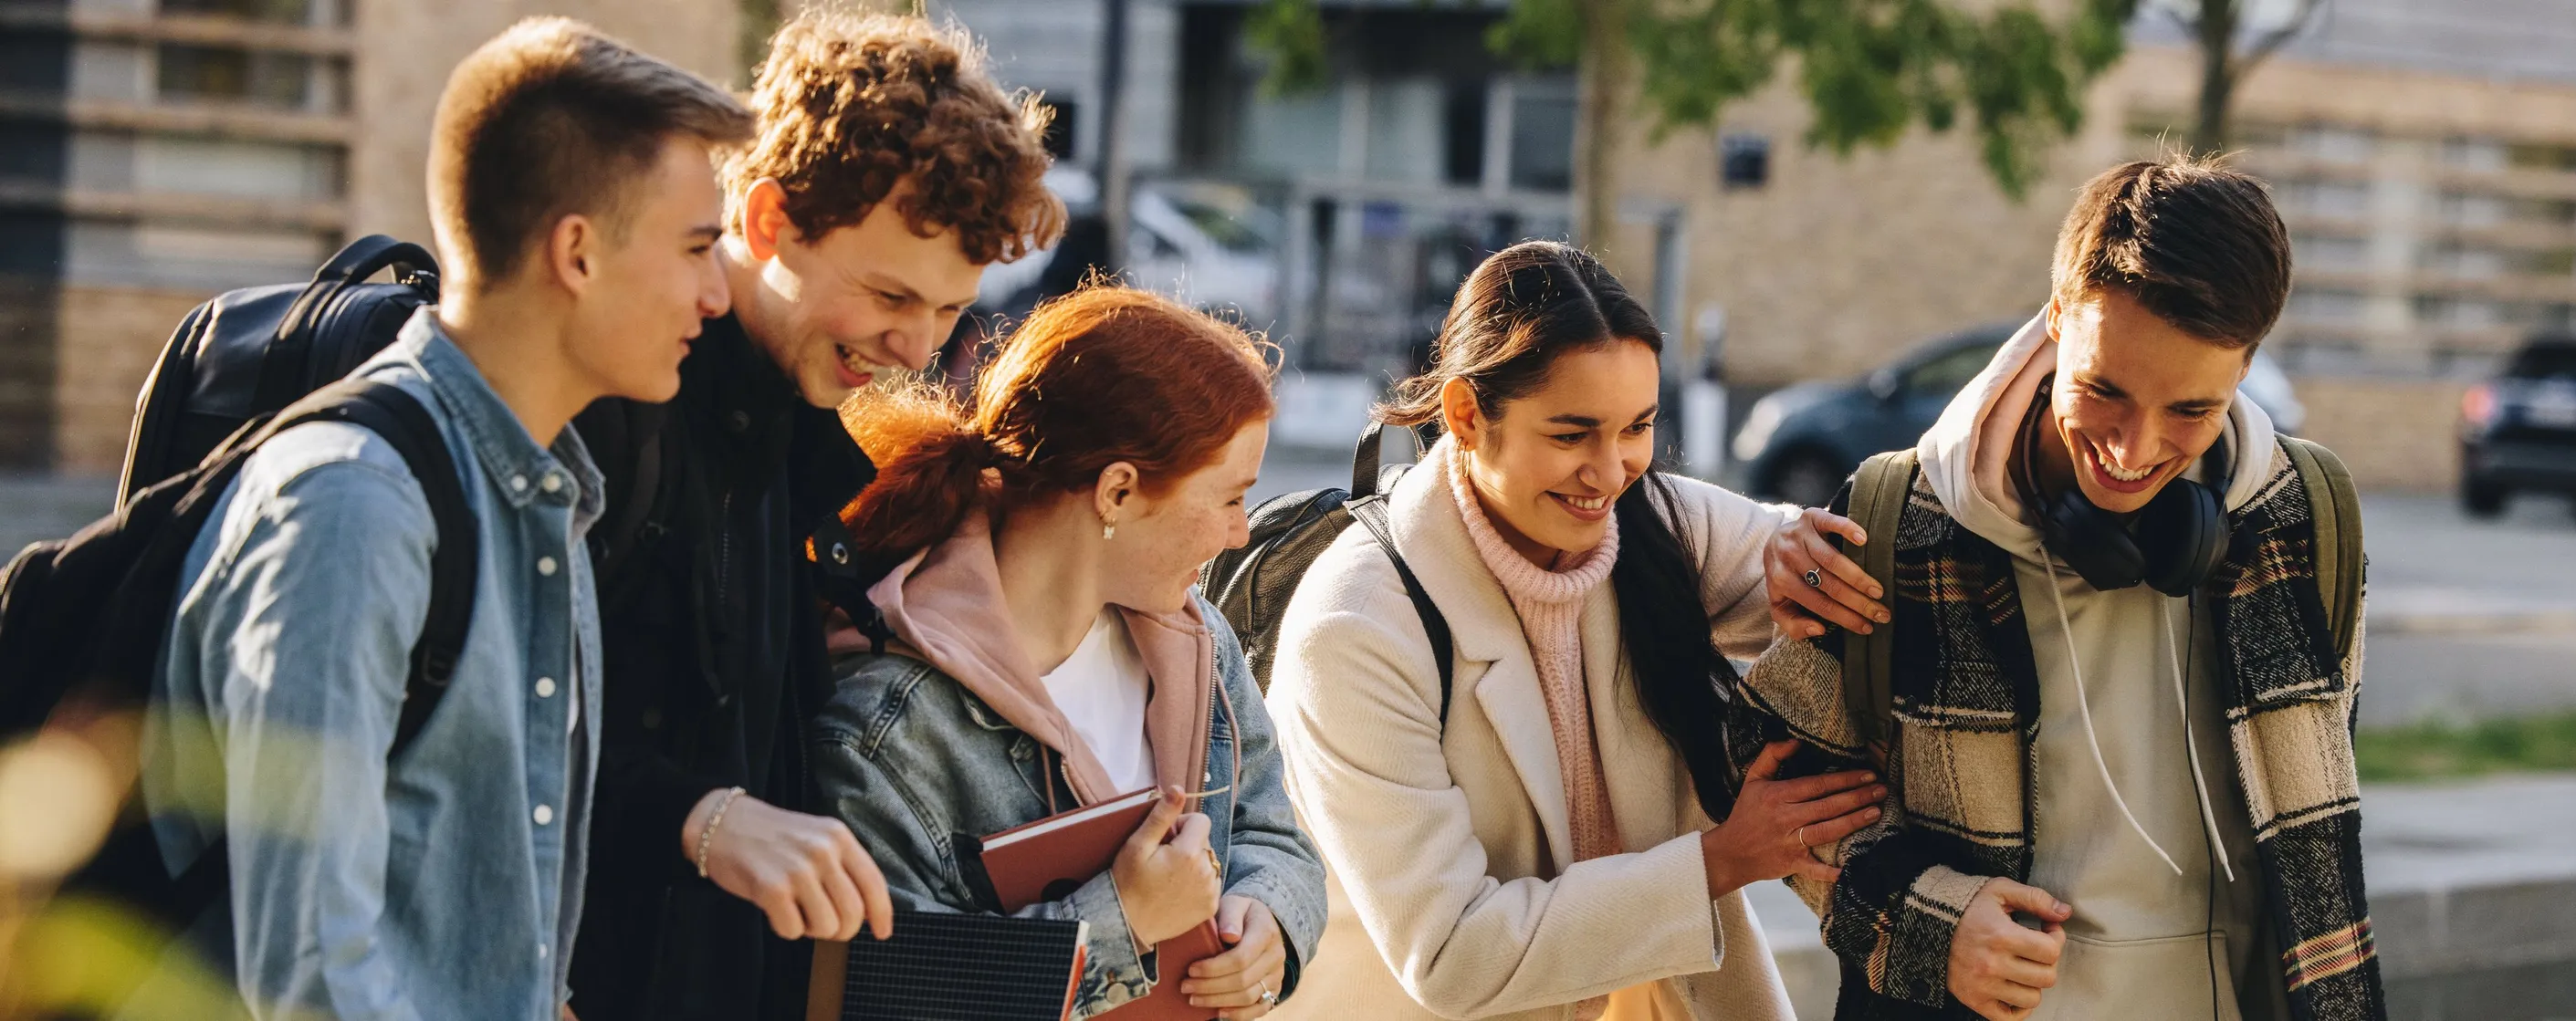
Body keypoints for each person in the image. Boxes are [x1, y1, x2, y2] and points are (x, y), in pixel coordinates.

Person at [138, 18, 749, 1019]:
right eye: (695, 248)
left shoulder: (552, 500)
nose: (717, 294)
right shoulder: (350, 508)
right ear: (579, 254)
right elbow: (310, 979)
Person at [1745, 155, 2383, 1021]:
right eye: (2103, 390)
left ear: (2246, 367)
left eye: (2190, 411)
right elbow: (1767, 776)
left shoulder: (2312, 518)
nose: (2133, 448)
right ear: (2055, 323)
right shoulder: (1900, 520)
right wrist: (1926, 925)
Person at [563, 10, 1066, 1019]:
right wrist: (702, 820)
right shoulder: (610, 413)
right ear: (765, 223)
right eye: (889, 293)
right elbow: (498, 747)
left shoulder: (785, 439)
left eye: (948, 311)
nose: (919, 347)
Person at [1261, 241, 1887, 1021]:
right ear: (1464, 414)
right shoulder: (1356, 626)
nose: (1612, 470)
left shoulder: (1659, 522)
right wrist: (1719, 862)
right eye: (1570, 434)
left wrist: (1804, 553)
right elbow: (1453, 953)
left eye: (1638, 426)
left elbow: (1872, 557)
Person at [812, 286, 1325, 1020]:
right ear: (1117, 491)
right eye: (1230, 498)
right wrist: (1120, 923)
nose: (1241, 533)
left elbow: (1274, 834)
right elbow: (870, 993)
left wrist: (1270, 918)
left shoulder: (1199, 642)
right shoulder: (887, 727)